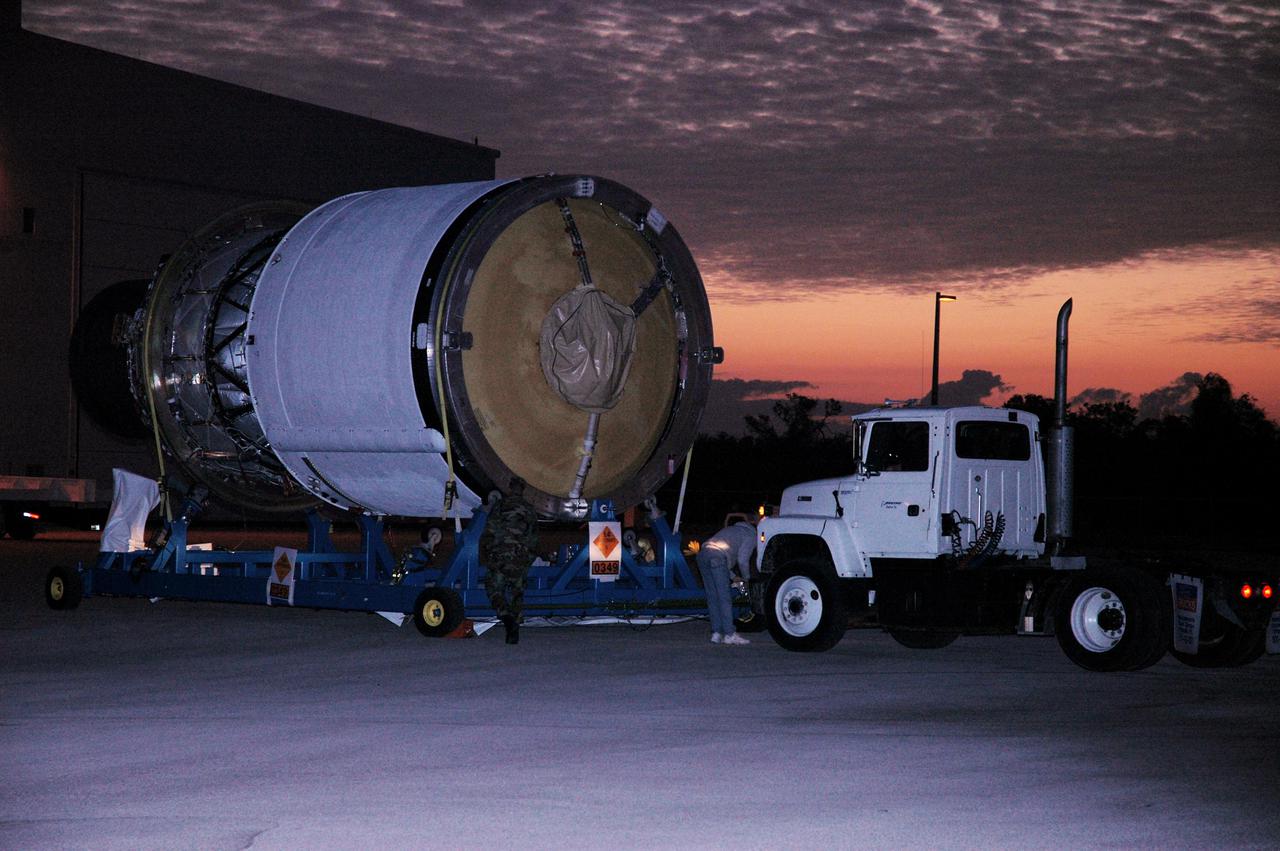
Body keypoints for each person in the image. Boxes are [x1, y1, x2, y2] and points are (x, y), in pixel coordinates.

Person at [479, 477, 539, 644]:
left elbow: (489, 531)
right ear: (523, 490)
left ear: (510, 488)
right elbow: (533, 538)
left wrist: (486, 553)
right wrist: (528, 558)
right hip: (520, 557)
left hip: (500, 556)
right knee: (517, 593)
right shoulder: (529, 509)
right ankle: (515, 627)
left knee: (494, 589)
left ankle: (506, 617)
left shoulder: (500, 506)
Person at [696, 518, 756, 645]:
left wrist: (734, 577)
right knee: (724, 597)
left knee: (712, 597)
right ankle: (729, 634)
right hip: (717, 556)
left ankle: (716, 633)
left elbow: (720, 559)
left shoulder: (731, 530)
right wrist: (747, 580)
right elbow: (742, 561)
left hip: (703, 555)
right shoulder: (751, 536)